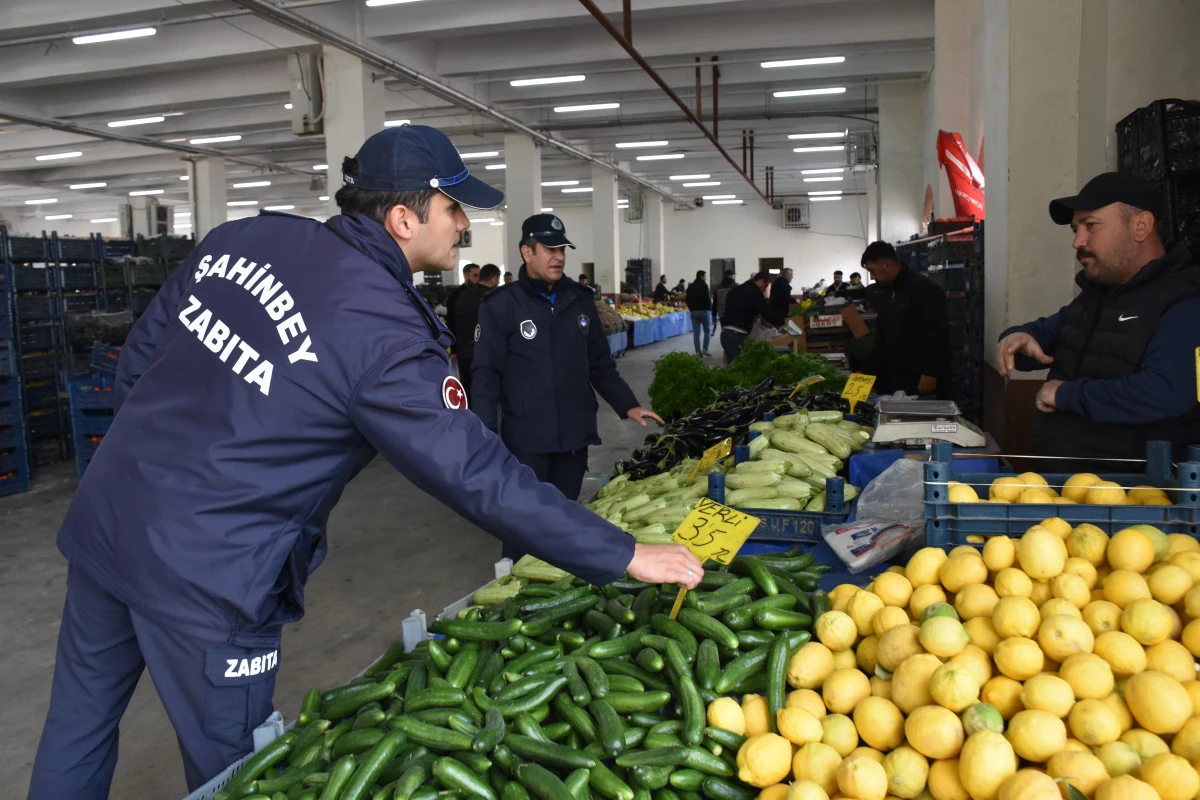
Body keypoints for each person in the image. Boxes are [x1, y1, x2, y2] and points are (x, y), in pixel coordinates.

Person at [27, 126, 703, 799]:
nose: (465, 225)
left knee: (78, 729)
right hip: (211, 572)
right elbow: (475, 475)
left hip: (109, 520)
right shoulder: (383, 328)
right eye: (455, 208)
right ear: (404, 218)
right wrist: (618, 553)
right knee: (238, 774)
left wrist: (158, 457)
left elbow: (142, 359)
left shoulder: (243, 239)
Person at [997, 171, 1200, 464]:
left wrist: (1067, 395)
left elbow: (1168, 392)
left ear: (1141, 226)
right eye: (1075, 229)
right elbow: (1048, 333)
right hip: (1062, 488)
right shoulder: (1097, 295)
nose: (1078, 241)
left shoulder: (1186, 302)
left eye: (1091, 226)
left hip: (1129, 497)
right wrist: (1019, 337)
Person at [472, 213, 664, 515]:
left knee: (564, 516)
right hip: (527, 436)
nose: (558, 257)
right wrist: (485, 435)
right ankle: (513, 563)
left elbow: (600, 363)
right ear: (527, 252)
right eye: (550, 249)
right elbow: (486, 374)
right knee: (523, 520)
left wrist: (627, 404)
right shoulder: (500, 305)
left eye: (562, 250)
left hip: (575, 434)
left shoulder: (580, 300)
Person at [860, 241, 951, 398]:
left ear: (887, 265)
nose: (872, 277)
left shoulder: (925, 290)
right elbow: (882, 341)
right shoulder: (889, 294)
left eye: (872, 271)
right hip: (898, 380)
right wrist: (863, 373)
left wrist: (930, 372)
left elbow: (939, 334)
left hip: (922, 382)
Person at [452, 263, 501, 403]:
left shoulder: (462, 296)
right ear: (493, 278)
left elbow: (454, 323)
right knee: (486, 396)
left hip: (464, 352)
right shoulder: (493, 297)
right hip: (485, 354)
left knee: (467, 395)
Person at [719, 271, 786, 363]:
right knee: (739, 368)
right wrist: (783, 323)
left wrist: (764, 321)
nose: (764, 290)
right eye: (766, 286)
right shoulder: (755, 293)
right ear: (762, 281)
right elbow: (767, 313)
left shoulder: (736, 289)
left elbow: (744, 309)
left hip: (725, 334)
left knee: (732, 365)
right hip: (737, 336)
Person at [444, 262, 479, 361]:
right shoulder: (456, 296)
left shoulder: (480, 294)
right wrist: (454, 350)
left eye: (480, 275)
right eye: (475, 275)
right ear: (466, 275)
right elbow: (452, 322)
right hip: (463, 348)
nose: (478, 278)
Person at [686, 270, 712, 356]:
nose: (706, 278)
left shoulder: (691, 286)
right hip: (704, 311)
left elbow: (687, 299)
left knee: (696, 332)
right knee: (707, 330)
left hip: (694, 312)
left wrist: (691, 309)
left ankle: (697, 352)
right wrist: (709, 308)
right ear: (701, 276)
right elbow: (708, 299)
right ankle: (705, 349)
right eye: (705, 276)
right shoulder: (704, 286)